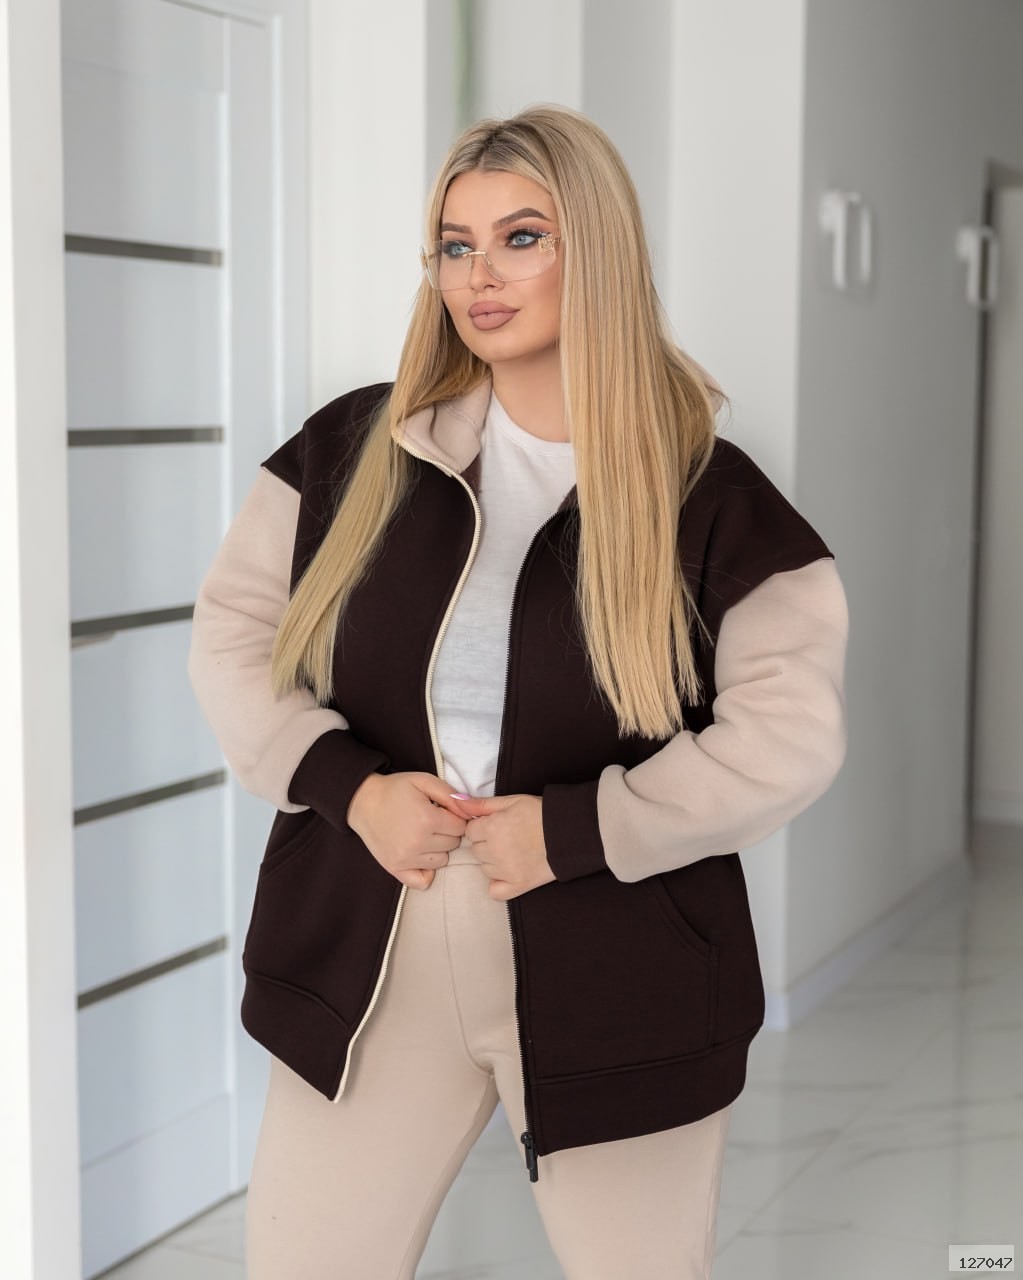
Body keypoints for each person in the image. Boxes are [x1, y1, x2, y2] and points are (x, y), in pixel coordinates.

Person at [188, 104, 849, 1279]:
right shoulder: (352, 449)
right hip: (375, 939)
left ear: (598, 250)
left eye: (522, 237)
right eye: (456, 245)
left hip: (618, 958)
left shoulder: (714, 498)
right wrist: (350, 788)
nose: (479, 276)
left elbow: (786, 736)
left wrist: (580, 829)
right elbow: (232, 636)